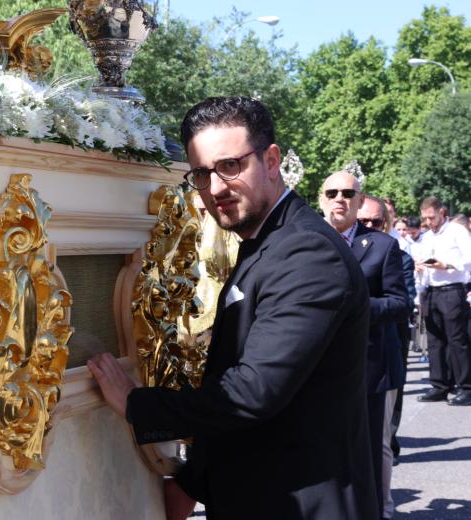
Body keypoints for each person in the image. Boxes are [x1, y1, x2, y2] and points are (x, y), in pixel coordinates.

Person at [87, 97, 377, 520]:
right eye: (202, 174)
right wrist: (193, 482)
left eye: (230, 166)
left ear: (272, 160)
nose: (216, 188)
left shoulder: (308, 253)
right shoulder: (266, 242)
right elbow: (235, 381)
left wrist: (136, 402)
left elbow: (251, 392)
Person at [318, 176, 409, 518]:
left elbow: (400, 303)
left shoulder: (382, 246)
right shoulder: (306, 240)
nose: (339, 199)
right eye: (332, 193)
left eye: (347, 193)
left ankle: (374, 510)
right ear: (322, 200)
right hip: (316, 365)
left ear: (359, 201)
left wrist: (358, 308)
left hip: (368, 366)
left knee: (370, 447)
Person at [357, 194, 411, 520]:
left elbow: (400, 302)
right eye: (362, 221)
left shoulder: (396, 254)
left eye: (374, 222)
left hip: (380, 359)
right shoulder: (335, 248)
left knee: (379, 442)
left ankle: (383, 507)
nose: (368, 227)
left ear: (385, 224)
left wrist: (356, 307)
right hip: (343, 362)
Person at [416, 196, 471, 406]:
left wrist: (446, 264)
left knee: (457, 340)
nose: (429, 222)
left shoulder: (456, 231)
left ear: (441, 212)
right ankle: (439, 385)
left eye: (431, 217)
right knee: (434, 340)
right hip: (431, 291)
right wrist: (420, 269)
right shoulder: (427, 236)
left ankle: (466, 387)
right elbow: (421, 260)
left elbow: (469, 257)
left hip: (452, 289)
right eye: (425, 218)